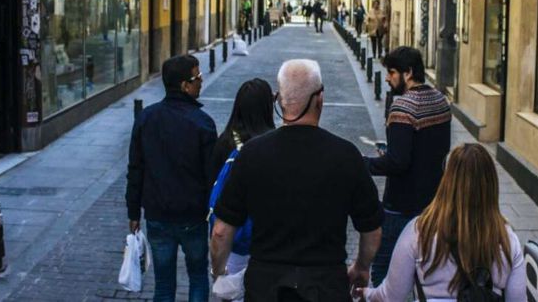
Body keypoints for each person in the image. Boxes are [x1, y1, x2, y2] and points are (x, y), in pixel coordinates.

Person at [210, 60, 383, 301]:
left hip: (266, 287)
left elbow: (220, 231)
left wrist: (218, 271)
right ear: (319, 98)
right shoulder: (346, 155)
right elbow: (371, 229)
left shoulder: (251, 154)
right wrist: (361, 267)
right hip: (325, 286)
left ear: (281, 100)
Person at [359, 143, 526, 301]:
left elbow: (390, 297)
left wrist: (365, 294)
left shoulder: (420, 232)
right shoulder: (507, 240)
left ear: (446, 182)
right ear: (491, 186)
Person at [126, 55, 217, 302]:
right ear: (184, 86)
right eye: (196, 77)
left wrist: (133, 213)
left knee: (163, 284)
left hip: (158, 216)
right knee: (198, 276)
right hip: (193, 217)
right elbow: (212, 176)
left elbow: (136, 169)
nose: (201, 81)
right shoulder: (203, 123)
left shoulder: (146, 118)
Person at [364, 46, 452, 286]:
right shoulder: (441, 101)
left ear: (408, 72)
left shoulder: (403, 106)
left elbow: (398, 162)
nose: (389, 78)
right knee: (425, 271)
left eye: (392, 72)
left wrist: (366, 164)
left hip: (401, 206)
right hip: (434, 204)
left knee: (383, 269)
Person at [209, 78, 276, 280]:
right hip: (268, 240)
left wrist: (216, 268)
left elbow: (212, 186)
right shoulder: (273, 143)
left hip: (232, 240)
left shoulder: (225, 142)